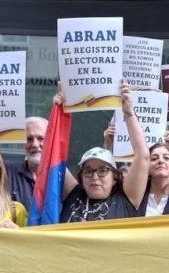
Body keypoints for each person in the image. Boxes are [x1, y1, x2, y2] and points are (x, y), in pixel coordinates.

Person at [59, 82, 150, 223]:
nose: (94, 176)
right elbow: (53, 155)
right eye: (88, 171)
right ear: (81, 177)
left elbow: (143, 156)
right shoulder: (73, 194)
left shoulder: (126, 200)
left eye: (102, 170)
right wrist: (59, 108)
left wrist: (129, 113)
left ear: (114, 177)